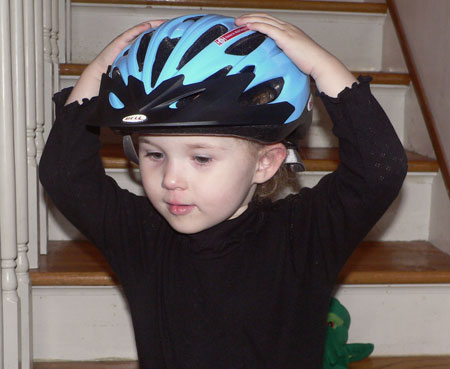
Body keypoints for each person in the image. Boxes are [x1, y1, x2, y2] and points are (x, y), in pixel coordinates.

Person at [39, 13, 407, 369]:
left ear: (265, 163)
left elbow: (379, 171)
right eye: (153, 154)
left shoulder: (303, 235)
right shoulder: (142, 237)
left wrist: (321, 66)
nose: (170, 179)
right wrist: (99, 72)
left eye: (200, 158)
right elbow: (65, 174)